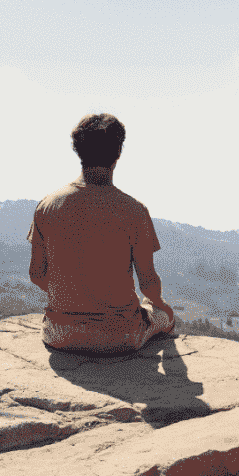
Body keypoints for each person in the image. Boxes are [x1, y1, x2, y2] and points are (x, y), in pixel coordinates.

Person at [28, 114, 175, 356]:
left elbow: (36, 274)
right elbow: (148, 284)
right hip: (121, 336)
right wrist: (159, 306)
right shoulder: (134, 211)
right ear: (118, 154)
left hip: (60, 334)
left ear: (78, 152)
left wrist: (73, 296)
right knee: (164, 314)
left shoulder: (48, 205)